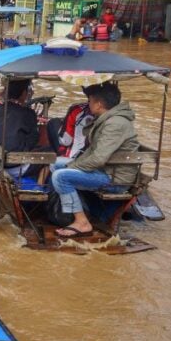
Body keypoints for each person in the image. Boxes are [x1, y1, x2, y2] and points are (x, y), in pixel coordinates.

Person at [49, 82, 139, 237]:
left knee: (60, 176)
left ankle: (81, 221)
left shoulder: (115, 123)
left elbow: (98, 158)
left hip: (114, 178)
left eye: (90, 101)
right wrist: (72, 164)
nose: (88, 104)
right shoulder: (107, 119)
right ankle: (73, 208)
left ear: (98, 104)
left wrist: (72, 165)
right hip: (106, 170)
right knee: (55, 163)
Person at [0, 79, 44, 178]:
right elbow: (34, 139)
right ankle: (44, 187)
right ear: (24, 93)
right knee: (49, 153)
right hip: (15, 167)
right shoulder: (28, 113)